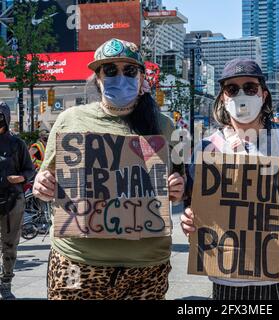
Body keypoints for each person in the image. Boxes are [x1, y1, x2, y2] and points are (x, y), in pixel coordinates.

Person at [32, 38, 185, 300]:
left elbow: (180, 186)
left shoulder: (165, 126)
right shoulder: (71, 120)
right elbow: (45, 180)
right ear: (98, 78)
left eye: (129, 70)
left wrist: (176, 188)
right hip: (77, 262)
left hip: (145, 268)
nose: (120, 77)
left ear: (141, 78)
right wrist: (42, 186)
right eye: (110, 70)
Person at [180, 58, 279, 300]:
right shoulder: (207, 149)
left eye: (249, 87)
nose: (242, 94)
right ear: (223, 97)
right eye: (232, 89)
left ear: (263, 94)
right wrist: (188, 220)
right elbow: (192, 205)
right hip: (231, 278)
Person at [0, 101, 35, 300]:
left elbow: (30, 170)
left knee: (10, 244)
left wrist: (20, 178)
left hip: (12, 201)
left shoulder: (17, 143)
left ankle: (6, 283)